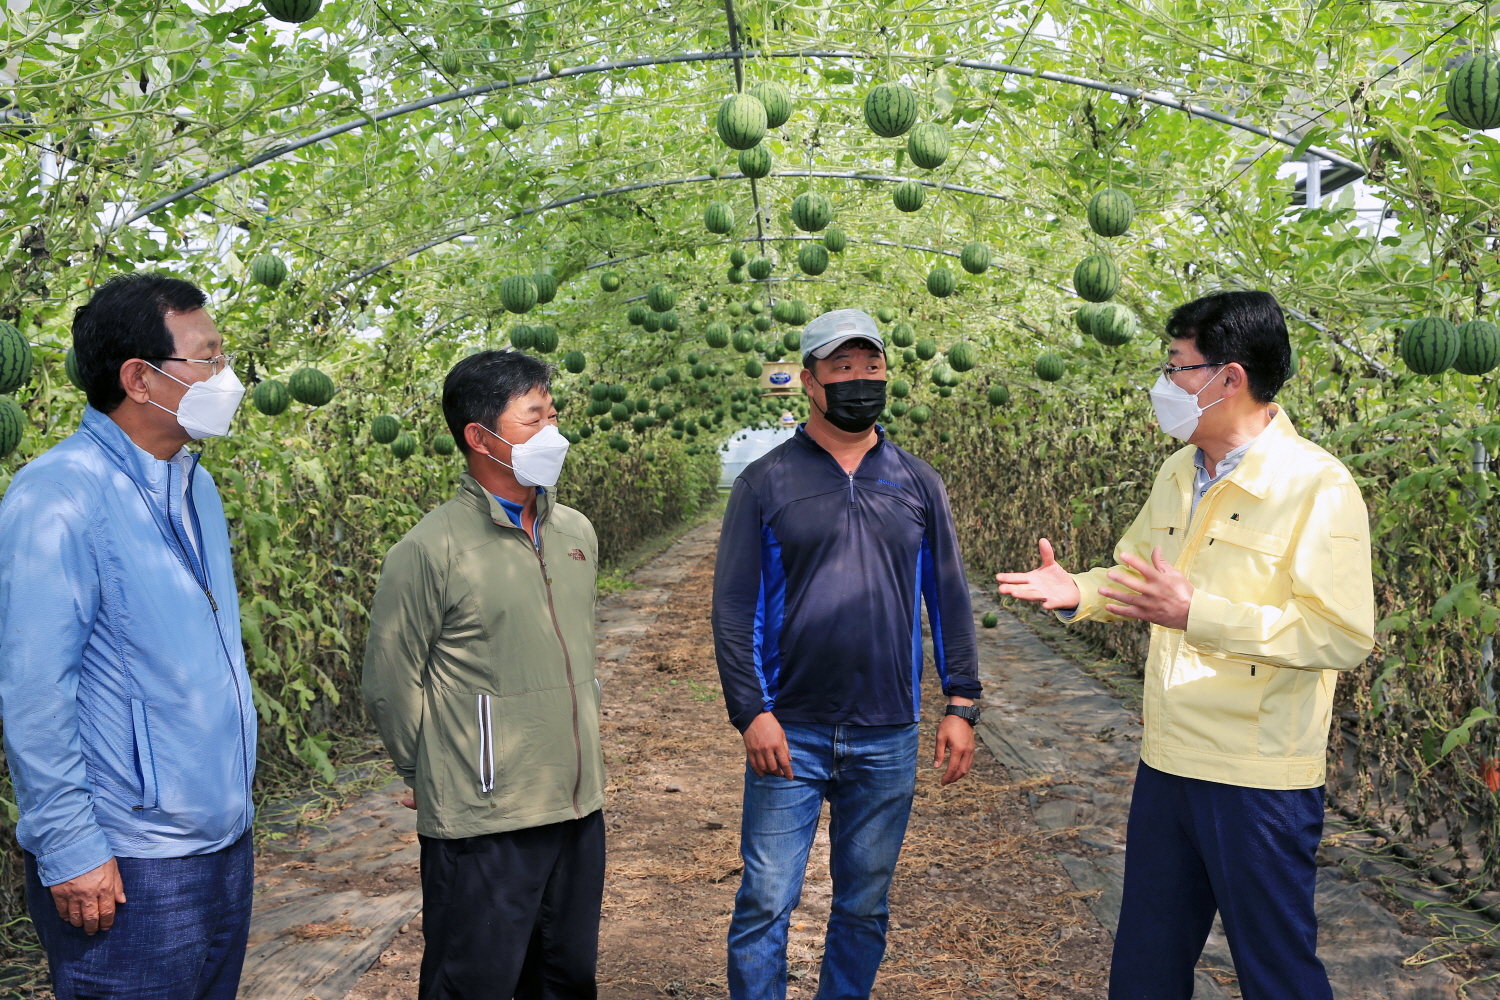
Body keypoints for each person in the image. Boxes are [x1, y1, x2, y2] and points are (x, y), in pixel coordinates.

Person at [997, 290, 1375, 1000]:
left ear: (1229, 378)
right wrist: (1078, 589)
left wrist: (1199, 613)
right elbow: (1140, 578)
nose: (1163, 384)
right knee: (1145, 965)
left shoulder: (1316, 487)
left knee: (1277, 974)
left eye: (1176, 366)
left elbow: (1341, 633)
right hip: (1167, 760)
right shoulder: (1179, 473)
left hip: (1258, 777)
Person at [712, 309, 983, 1000]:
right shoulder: (766, 483)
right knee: (767, 900)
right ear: (809, 381)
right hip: (791, 730)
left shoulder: (918, 482)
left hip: (888, 731)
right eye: (842, 369)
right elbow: (733, 608)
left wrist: (962, 702)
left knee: (863, 905)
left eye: (871, 368)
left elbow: (948, 596)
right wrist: (752, 713)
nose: (860, 381)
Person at [0, 273, 257, 999]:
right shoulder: (58, 494)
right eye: (209, 359)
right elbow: (34, 691)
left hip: (221, 845)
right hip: (128, 861)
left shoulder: (193, 483)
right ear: (140, 378)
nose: (226, 377)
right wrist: (71, 847)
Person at [363, 349, 605, 1000]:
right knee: (475, 984)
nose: (554, 432)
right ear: (480, 437)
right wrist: (429, 771)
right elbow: (389, 679)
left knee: (566, 976)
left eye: (554, 414)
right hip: (485, 819)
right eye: (534, 418)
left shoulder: (575, 533)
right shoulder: (429, 549)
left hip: (579, 805)